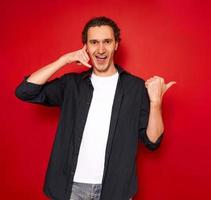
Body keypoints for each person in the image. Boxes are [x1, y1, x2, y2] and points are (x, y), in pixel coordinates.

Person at [15, 16, 175, 200]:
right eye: (94, 42)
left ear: (116, 44)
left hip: (116, 189)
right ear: (86, 46)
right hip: (71, 188)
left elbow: (153, 141)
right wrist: (64, 60)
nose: (100, 49)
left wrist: (155, 103)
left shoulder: (136, 88)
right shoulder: (72, 85)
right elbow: (25, 91)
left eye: (107, 41)